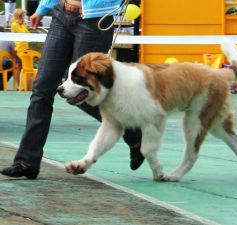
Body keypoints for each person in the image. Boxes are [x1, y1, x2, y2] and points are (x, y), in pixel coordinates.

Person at [0, 0, 144, 179]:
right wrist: (43, 8)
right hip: (62, 14)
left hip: (95, 20)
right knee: (42, 88)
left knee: (84, 95)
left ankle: (133, 131)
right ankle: (26, 162)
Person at [11, 8, 30, 88]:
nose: (24, 16)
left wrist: (23, 24)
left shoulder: (23, 25)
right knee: (18, 66)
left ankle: (28, 85)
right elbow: (23, 32)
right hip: (18, 48)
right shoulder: (14, 24)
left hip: (25, 48)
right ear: (19, 16)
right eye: (23, 15)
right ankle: (19, 85)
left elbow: (28, 33)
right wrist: (23, 25)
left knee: (27, 66)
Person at [0, 25, 16, 90]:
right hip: (3, 64)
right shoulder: (9, 40)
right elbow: (13, 55)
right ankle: (2, 82)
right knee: (13, 65)